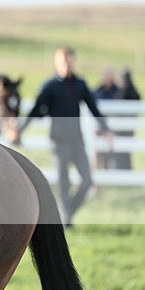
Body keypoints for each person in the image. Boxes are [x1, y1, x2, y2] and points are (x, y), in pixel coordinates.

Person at [11, 47, 113, 226]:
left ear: (74, 62)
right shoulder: (50, 87)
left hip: (77, 141)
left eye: (69, 61)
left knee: (87, 181)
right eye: (63, 62)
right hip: (58, 142)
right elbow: (36, 111)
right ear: (57, 63)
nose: (66, 65)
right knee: (64, 183)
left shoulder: (80, 85)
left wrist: (106, 130)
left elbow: (93, 107)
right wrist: (20, 129)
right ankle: (67, 221)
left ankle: (68, 213)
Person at [94, 68, 141, 169]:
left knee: (123, 150)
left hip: (117, 127)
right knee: (98, 148)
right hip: (103, 126)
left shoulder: (119, 91)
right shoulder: (99, 91)